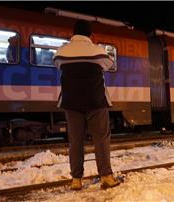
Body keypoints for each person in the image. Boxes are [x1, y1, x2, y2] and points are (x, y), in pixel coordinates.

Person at [53, 20, 117, 190]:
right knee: (101, 139)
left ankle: (76, 180)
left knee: (75, 141)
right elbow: (108, 64)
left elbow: (57, 64)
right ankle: (106, 177)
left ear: (73, 34)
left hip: (71, 102)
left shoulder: (61, 52)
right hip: (96, 101)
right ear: (90, 35)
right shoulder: (98, 51)